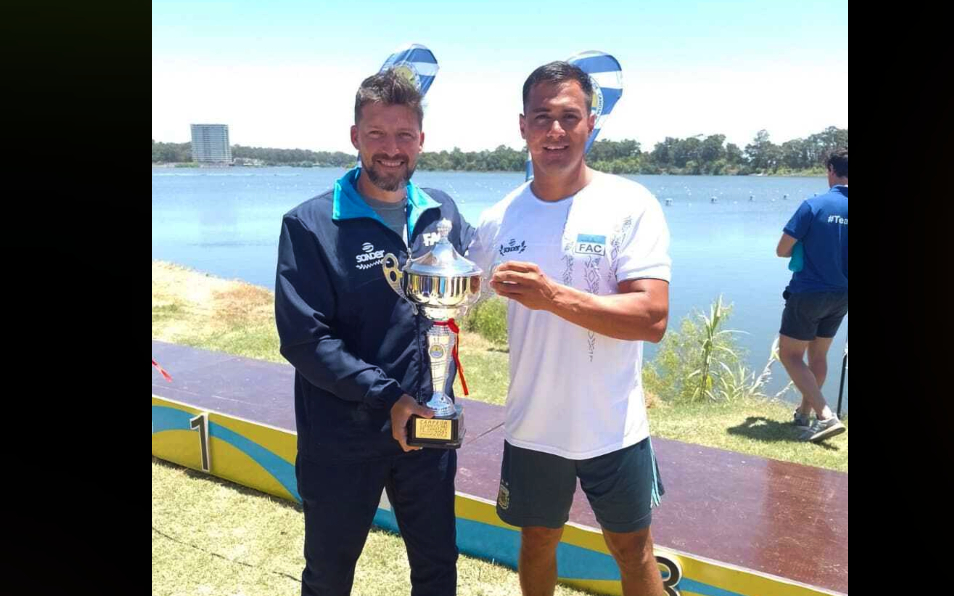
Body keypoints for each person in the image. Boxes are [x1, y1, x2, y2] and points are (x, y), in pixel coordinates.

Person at [468, 61, 671, 596]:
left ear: (591, 123)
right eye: (542, 117)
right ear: (523, 126)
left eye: (569, 116)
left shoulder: (630, 204)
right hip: (533, 424)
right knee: (537, 542)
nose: (555, 130)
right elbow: (460, 295)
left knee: (632, 550)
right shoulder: (499, 218)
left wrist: (552, 296)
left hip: (613, 426)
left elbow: (652, 318)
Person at [275, 69, 474, 596]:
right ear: (355, 137)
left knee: (437, 568)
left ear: (421, 140)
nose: (391, 149)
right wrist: (388, 397)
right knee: (329, 575)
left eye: (404, 134)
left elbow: (478, 276)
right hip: (342, 435)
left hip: (428, 425)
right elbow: (305, 339)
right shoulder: (310, 224)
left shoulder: (441, 213)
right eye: (377, 134)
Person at [775, 148, 848, 442]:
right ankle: (803, 415)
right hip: (842, 295)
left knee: (790, 354)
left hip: (808, 292)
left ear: (831, 170)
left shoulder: (814, 205)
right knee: (819, 355)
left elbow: (782, 250)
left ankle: (826, 415)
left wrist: (804, 247)